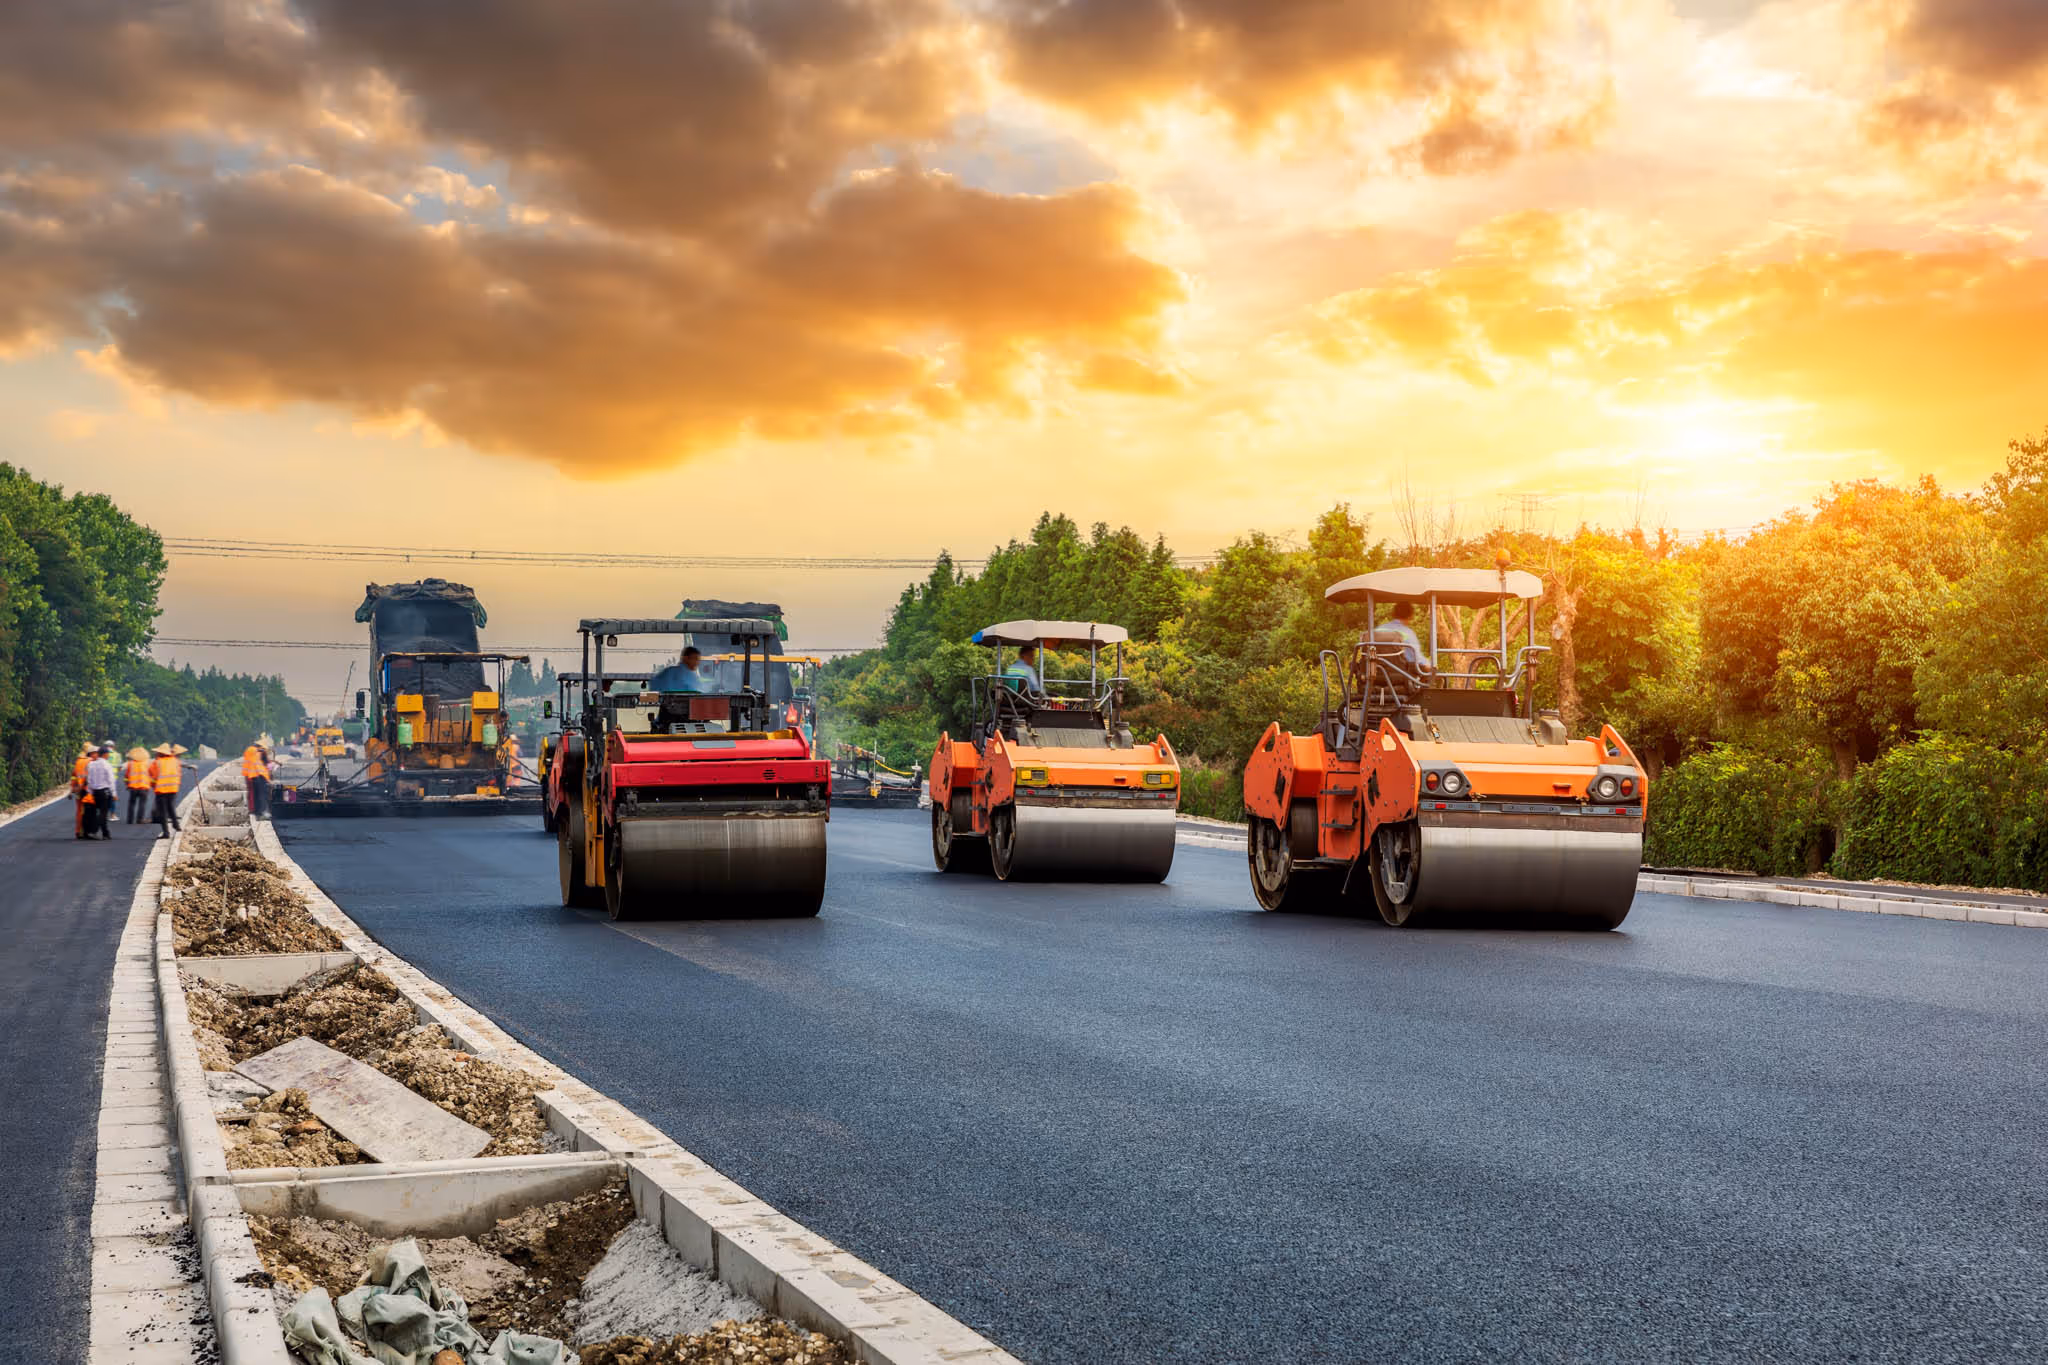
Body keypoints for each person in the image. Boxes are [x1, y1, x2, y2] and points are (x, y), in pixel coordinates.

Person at [149, 744, 183, 839]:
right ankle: (176, 824)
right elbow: (179, 774)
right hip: (173, 788)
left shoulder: (157, 763)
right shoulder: (175, 761)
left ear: (160, 753)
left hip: (161, 790)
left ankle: (166, 833)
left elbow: (152, 777)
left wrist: (153, 786)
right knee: (170, 807)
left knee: (162, 812)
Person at [84, 745, 117, 840]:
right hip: (104, 792)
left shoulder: (91, 764)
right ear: (105, 754)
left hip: (95, 792)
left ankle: (106, 833)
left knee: (98, 813)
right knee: (103, 814)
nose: (108, 756)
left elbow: (89, 780)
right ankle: (93, 831)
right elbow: (111, 780)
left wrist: (89, 792)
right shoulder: (106, 764)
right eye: (108, 754)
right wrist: (114, 793)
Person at [241, 739, 272, 820]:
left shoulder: (249, 750)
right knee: (262, 794)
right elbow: (265, 763)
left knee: (253, 794)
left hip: (249, 775)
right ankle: (262, 812)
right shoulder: (258, 751)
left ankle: (255, 811)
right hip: (259, 775)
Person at [123, 747, 153, 828]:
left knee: (131, 803)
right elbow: (151, 774)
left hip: (133, 787)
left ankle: (130, 820)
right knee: (142, 804)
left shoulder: (130, 764)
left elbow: (126, 776)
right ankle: (139, 819)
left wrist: (127, 784)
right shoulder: (147, 764)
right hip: (144, 787)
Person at [72, 743, 94, 839]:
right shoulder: (91, 761)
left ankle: (78, 831)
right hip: (87, 789)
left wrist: (73, 788)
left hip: (78, 790)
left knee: (79, 811)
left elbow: (73, 776)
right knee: (89, 811)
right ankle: (86, 831)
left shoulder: (78, 761)